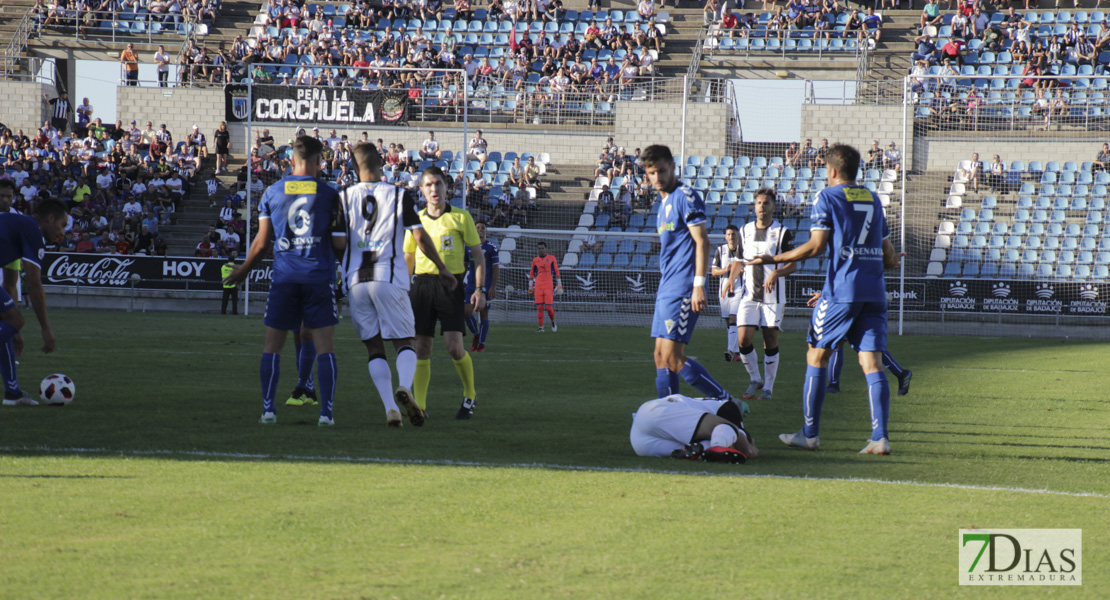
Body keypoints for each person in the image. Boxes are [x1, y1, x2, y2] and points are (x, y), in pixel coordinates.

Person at [745, 144, 901, 455]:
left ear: (831, 171)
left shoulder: (827, 197)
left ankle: (810, 434)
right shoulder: (872, 198)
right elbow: (888, 256)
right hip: (875, 292)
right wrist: (893, 261)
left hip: (842, 292)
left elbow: (816, 247)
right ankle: (879, 438)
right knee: (872, 363)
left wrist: (773, 258)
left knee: (816, 357)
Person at [223, 136, 344, 426]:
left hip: (285, 276)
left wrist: (243, 271)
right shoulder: (330, 194)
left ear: (291, 160)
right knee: (325, 346)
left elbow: (262, 243)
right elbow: (340, 245)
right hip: (317, 276)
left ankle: (268, 410)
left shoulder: (272, 192)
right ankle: (325, 413)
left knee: (272, 346)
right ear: (319, 162)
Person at [339, 143, 455, 428]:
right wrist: (443, 269)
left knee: (374, 348)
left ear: (354, 168)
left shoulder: (342, 197)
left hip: (356, 281)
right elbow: (420, 238)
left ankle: (391, 409)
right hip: (388, 277)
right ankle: (404, 387)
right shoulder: (398, 195)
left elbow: (337, 243)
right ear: (382, 165)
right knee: (405, 342)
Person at [643, 145, 743, 413]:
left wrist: (698, 285)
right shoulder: (663, 203)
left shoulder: (685, 196)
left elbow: (703, 241)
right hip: (667, 286)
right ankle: (669, 413)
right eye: (652, 172)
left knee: (673, 358)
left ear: (672, 168)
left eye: (662, 170)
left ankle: (728, 402)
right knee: (660, 357)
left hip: (684, 286)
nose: (658, 177)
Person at [403, 166, 486, 420]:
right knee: (422, 347)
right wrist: (404, 290)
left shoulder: (461, 217)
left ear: (446, 187)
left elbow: (478, 257)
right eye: (428, 185)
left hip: (451, 286)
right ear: (421, 190)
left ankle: (470, 394)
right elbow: (408, 257)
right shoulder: (416, 220)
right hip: (421, 286)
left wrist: (479, 289)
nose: (434, 189)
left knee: (453, 347)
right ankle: (421, 407)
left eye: (438, 184)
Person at [725, 189, 797, 402]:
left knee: (769, 340)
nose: (761, 206)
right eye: (758, 202)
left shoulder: (782, 232)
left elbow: (793, 265)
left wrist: (776, 272)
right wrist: (731, 278)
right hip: (749, 295)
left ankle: (768, 387)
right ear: (754, 206)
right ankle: (755, 378)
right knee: (743, 340)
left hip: (772, 296)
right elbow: (740, 261)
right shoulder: (744, 230)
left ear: (774, 207)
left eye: (766, 203)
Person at [0, 197, 67, 406]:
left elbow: (10, 282)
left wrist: (11, 327)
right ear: (49, 219)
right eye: (62, 225)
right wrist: (46, 329)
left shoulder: (15, 228)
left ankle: (13, 393)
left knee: (13, 323)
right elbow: (34, 282)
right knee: (15, 321)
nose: (62, 232)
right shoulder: (31, 229)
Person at [812, 295, 912, 396]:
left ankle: (901, 374)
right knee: (839, 343)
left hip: (857, 305)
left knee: (868, 350)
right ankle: (834, 384)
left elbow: (849, 286)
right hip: (852, 304)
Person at [630, 394, 759, 463]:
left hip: (640, 442)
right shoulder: (729, 407)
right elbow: (745, 448)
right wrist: (751, 447)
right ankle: (717, 445)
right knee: (728, 429)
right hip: (659, 411)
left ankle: (702, 450)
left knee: (703, 447)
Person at [465, 222, 499, 352]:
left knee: (484, 314)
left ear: (486, 231)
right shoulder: (468, 247)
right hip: (470, 285)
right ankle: (476, 335)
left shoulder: (491, 247)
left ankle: (481, 344)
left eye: (482, 228)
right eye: (477, 227)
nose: (480, 229)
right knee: (466, 312)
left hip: (486, 285)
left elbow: (496, 268)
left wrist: (493, 286)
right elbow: (464, 266)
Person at [711, 224, 742, 362]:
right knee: (729, 323)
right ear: (725, 236)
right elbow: (713, 271)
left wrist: (740, 271)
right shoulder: (720, 250)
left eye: (733, 234)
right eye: (729, 234)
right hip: (723, 291)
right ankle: (737, 352)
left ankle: (729, 350)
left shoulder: (743, 251)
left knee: (734, 318)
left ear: (738, 236)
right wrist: (726, 270)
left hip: (739, 289)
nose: (731, 237)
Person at [529, 241, 562, 332]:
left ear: (546, 249)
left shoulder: (551, 258)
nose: (541, 250)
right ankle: (541, 327)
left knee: (548, 308)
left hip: (548, 285)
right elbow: (532, 274)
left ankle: (552, 321)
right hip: (539, 285)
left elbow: (557, 272)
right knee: (539, 307)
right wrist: (530, 287)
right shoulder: (535, 260)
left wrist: (559, 285)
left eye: (542, 248)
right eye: (539, 248)